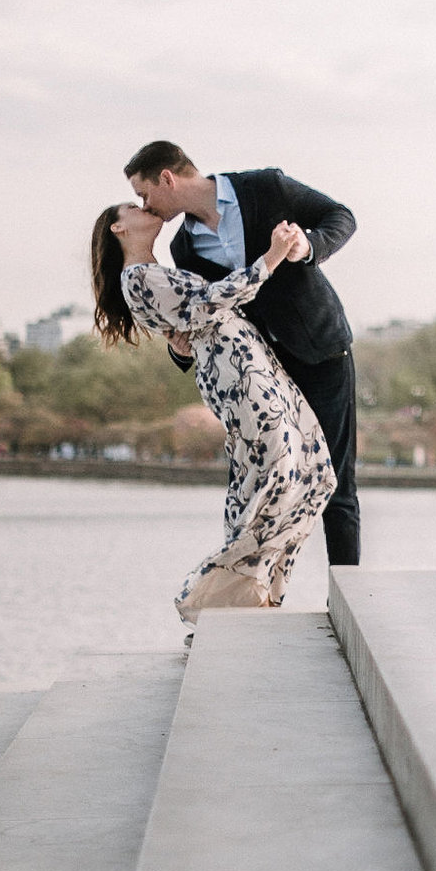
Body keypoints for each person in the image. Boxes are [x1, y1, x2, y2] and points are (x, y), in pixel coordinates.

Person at [92, 203, 333, 626]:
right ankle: (223, 590)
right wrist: (273, 255)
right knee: (275, 472)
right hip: (239, 375)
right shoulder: (137, 276)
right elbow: (211, 299)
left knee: (314, 473)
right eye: (132, 205)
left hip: (255, 362)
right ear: (118, 227)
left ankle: (259, 590)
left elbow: (195, 315)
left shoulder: (155, 271)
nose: (143, 205)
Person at [124, 141, 364, 566]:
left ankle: (349, 596)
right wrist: (179, 352)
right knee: (256, 481)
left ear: (167, 178)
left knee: (338, 485)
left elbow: (341, 217)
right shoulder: (184, 249)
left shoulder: (266, 188)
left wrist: (307, 247)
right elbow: (205, 311)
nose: (145, 205)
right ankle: (248, 586)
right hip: (261, 376)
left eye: (145, 194)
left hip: (321, 350)